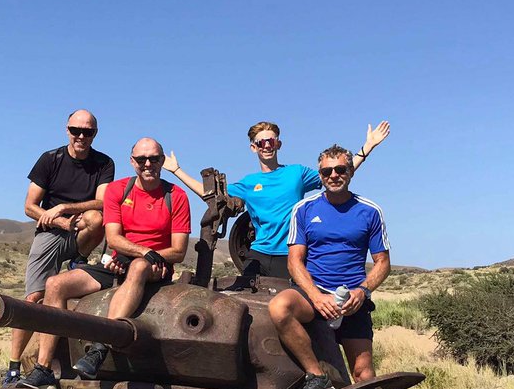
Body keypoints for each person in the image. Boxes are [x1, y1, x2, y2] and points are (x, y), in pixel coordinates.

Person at [14, 138, 191, 389]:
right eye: (141, 160)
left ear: (162, 160)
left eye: (154, 158)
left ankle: (100, 348)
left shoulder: (177, 196)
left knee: (139, 267)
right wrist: (140, 251)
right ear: (132, 162)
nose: (148, 164)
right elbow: (114, 238)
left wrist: (147, 256)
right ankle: (44, 369)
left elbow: (178, 250)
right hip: (123, 260)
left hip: (155, 265)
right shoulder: (119, 191)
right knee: (55, 284)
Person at [268, 144, 392, 389]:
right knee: (279, 307)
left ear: (351, 171)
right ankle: (317, 375)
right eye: (327, 171)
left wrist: (363, 292)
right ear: (320, 175)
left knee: (364, 374)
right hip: (315, 295)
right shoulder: (305, 209)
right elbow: (295, 261)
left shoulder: (369, 211)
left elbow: (382, 263)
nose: (334, 175)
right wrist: (314, 295)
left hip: (352, 301)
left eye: (340, 170)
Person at [164, 120, 389, 280]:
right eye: (261, 142)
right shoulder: (249, 183)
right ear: (254, 148)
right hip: (259, 253)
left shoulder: (297, 174)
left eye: (271, 141)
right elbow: (212, 197)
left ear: (278, 144)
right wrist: (177, 170)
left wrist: (366, 148)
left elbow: (336, 176)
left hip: (290, 254)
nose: (267, 146)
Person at [2, 110, 115, 387]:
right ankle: (14, 367)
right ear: (67, 130)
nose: (81, 136)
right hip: (50, 231)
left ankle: (78, 259)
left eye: (87, 132)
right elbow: (29, 206)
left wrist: (66, 208)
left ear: (95, 134)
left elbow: (102, 203)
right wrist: (59, 221)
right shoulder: (50, 159)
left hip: (79, 227)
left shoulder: (103, 163)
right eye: (76, 130)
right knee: (33, 299)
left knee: (98, 219)